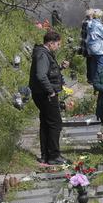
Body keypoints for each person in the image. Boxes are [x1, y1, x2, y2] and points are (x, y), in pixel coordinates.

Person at [29, 31, 68, 165]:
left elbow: (48, 72)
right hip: (45, 94)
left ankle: (45, 155)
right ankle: (54, 155)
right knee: (55, 124)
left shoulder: (43, 53)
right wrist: (50, 91)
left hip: (41, 93)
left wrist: (59, 68)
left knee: (46, 123)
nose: (58, 47)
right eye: (57, 44)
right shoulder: (42, 54)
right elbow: (41, 75)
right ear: (50, 43)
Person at [85, 8, 103, 82]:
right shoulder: (99, 25)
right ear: (100, 16)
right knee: (102, 64)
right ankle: (101, 81)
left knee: (93, 64)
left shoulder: (89, 23)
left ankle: (94, 81)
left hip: (91, 48)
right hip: (99, 48)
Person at [80, 9, 93, 82]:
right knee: (91, 61)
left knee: (88, 61)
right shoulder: (89, 23)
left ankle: (89, 78)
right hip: (89, 45)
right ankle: (91, 78)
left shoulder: (84, 22)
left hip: (84, 44)